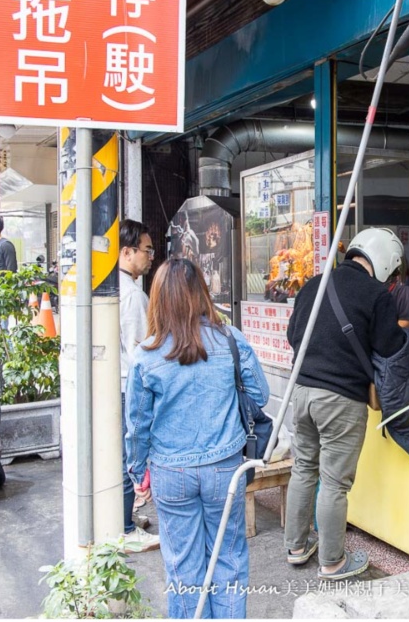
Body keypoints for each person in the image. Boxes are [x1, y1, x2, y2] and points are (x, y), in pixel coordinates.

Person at [125, 257, 268, 619]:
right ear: (201, 292)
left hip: (171, 471)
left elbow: (138, 425)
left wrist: (136, 470)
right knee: (229, 559)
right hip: (225, 467)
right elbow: (261, 394)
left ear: (158, 298)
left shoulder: (146, 354)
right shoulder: (229, 338)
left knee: (182, 565)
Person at [283, 228, 407, 580]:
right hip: (340, 399)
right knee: (334, 482)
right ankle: (333, 560)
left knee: (304, 468)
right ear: (384, 261)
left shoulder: (313, 285)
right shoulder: (376, 294)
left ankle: (296, 547)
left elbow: (294, 335)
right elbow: (390, 346)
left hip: (302, 391)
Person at [117, 219, 159, 552]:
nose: (150, 257)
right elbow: (140, 354)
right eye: (146, 250)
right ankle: (127, 527)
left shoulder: (117, 287)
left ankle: (125, 518)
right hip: (125, 386)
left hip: (117, 384)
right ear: (127, 252)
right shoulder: (131, 295)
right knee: (127, 456)